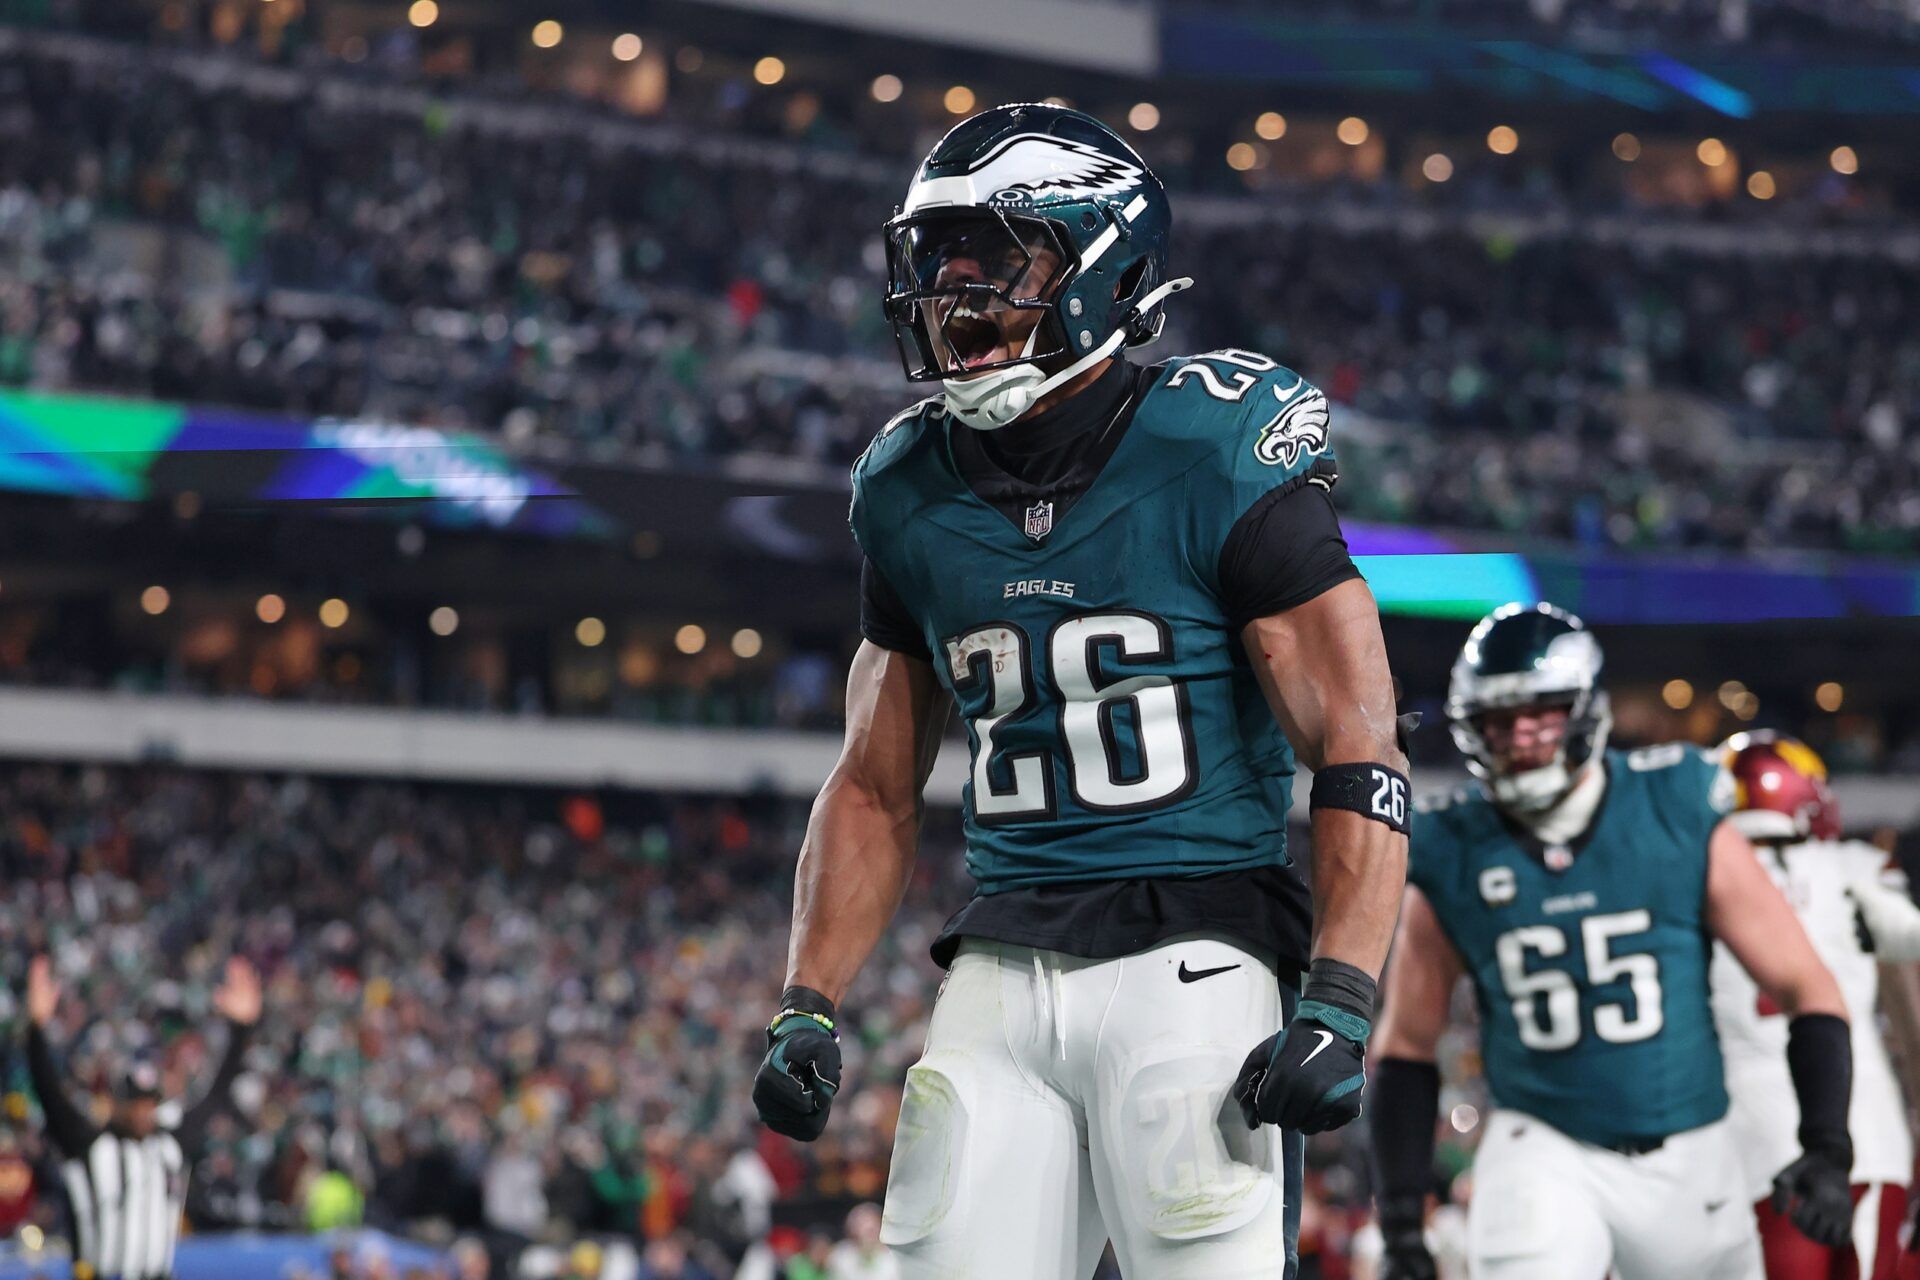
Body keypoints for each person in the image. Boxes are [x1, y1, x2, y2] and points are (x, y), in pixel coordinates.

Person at [751, 103, 1410, 1280]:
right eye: (939, 256)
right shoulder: (907, 486)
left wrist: (1345, 995)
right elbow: (874, 781)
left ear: (1102, 265)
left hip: (1196, 951)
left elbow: (1358, 746)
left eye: (997, 254)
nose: (956, 288)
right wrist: (808, 997)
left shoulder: (1218, 445)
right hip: (1002, 961)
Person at [1370, 603, 1855, 1280]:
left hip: (1689, 1149)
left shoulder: (1672, 802)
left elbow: (1808, 986)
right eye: (1500, 720)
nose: (1521, 736)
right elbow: (1406, 1047)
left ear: (1585, 710)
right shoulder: (1452, 845)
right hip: (1542, 1139)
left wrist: (1828, 1146)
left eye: (1542, 712)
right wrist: (1399, 1223)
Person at [1710, 732, 1920, 1279]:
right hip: (1867, 1131)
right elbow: (1913, 1002)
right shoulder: (1856, 869)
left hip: (1750, 1141)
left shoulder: (1702, 880)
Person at [25, 953, 262, 1280]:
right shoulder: (89, 1145)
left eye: (149, 1102)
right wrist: (36, 1030)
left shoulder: (170, 1145)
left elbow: (216, 1095)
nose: (143, 1111)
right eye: (134, 1102)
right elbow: (49, 1093)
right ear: (115, 1103)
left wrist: (241, 1030)